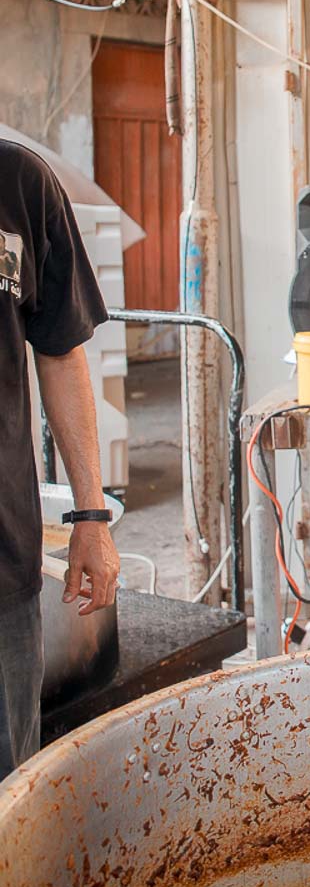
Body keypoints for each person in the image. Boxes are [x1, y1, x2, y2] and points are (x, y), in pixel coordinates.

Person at [1, 140, 119, 780]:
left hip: (2, 565)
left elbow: (61, 353)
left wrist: (91, 516)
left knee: (8, 795)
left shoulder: (20, 181)